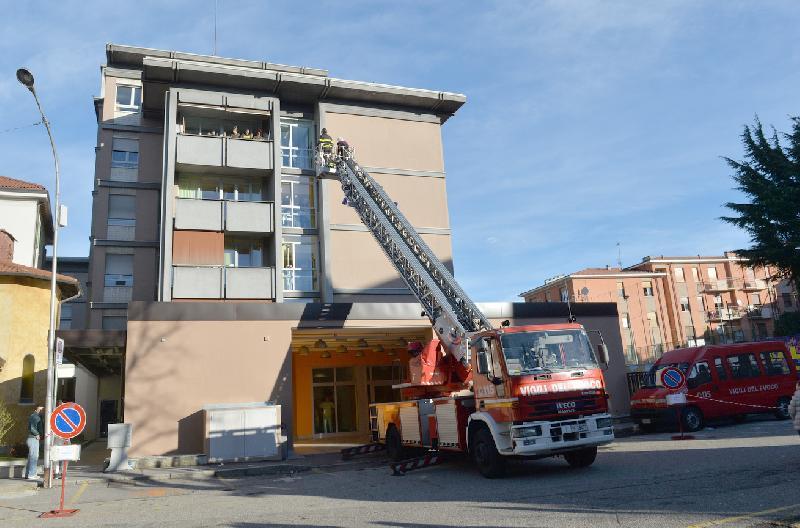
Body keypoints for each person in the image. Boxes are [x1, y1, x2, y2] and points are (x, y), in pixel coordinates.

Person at [25, 406, 44, 480]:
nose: (42, 410)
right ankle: (31, 475)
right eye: (40, 409)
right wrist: (37, 434)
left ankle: (28, 474)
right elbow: (31, 427)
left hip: (32, 438)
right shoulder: (35, 416)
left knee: (31, 457)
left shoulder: (35, 416)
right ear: (36, 409)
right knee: (34, 457)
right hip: (33, 438)